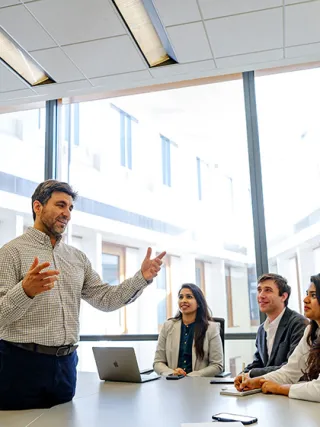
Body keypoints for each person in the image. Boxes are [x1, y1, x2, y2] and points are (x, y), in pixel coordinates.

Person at [0, 180, 166, 410]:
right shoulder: (10, 253)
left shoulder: (77, 258)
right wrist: (25, 291)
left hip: (66, 366)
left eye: (70, 208)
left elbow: (106, 299)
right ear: (37, 207)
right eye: (60, 205)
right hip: (20, 365)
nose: (66, 213)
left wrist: (142, 277)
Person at [235, 274, 320, 403]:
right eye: (307, 294)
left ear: (283, 296)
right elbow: (290, 371)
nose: (305, 299)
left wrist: (280, 388)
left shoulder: (298, 323)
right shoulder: (311, 331)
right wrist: (255, 382)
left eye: (313, 295)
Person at [153, 283, 223, 377]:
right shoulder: (167, 326)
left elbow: (217, 365)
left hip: (199, 385)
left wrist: (193, 376)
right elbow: (158, 362)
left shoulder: (211, 328)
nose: (184, 300)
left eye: (189, 297)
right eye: (181, 297)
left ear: (198, 303)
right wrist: (172, 373)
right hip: (172, 384)